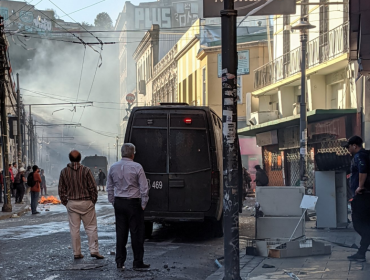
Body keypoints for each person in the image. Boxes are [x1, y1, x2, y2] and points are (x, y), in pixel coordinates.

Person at [106, 143, 150, 270]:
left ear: (121, 153)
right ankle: (137, 262)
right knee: (136, 233)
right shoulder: (137, 167)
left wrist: (113, 201)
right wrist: (143, 203)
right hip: (133, 203)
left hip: (119, 202)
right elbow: (144, 188)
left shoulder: (113, 167)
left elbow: (109, 187)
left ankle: (120, 262)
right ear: (133, 154)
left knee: (121, 233)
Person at [58, 150, 104, 260]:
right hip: (87, 202)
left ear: (70, 159)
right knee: (91, 227)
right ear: (79, 158)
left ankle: (77, 253)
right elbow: (93, 187)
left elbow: (61, 190)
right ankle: (94, 250)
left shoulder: (64, 172)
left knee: (74, 229)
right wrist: (93, 201)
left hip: (72, 203)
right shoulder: (86, 170)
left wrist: (66, 203)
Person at [343, 136, 370, 262]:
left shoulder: (359, 156)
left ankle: (362, 250)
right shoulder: (365, 155)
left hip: (363, 196)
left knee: (358, 223)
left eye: (348, 147)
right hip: (366, 195)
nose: (348, 150)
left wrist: (360, 187)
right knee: (366, 224)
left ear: (355, 145)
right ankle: (361, 251)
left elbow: (363, 170)